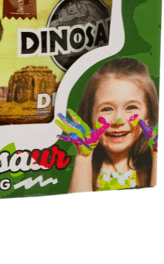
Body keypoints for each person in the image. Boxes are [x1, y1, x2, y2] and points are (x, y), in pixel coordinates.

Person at [67, 57, 158, 192]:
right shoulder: (80, 165)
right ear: (90, 116)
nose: (118, 120)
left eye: (131, 107)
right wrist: (83, 157)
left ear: (148, 117)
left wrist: (157, 154)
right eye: (107, 109)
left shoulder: (152, 163)